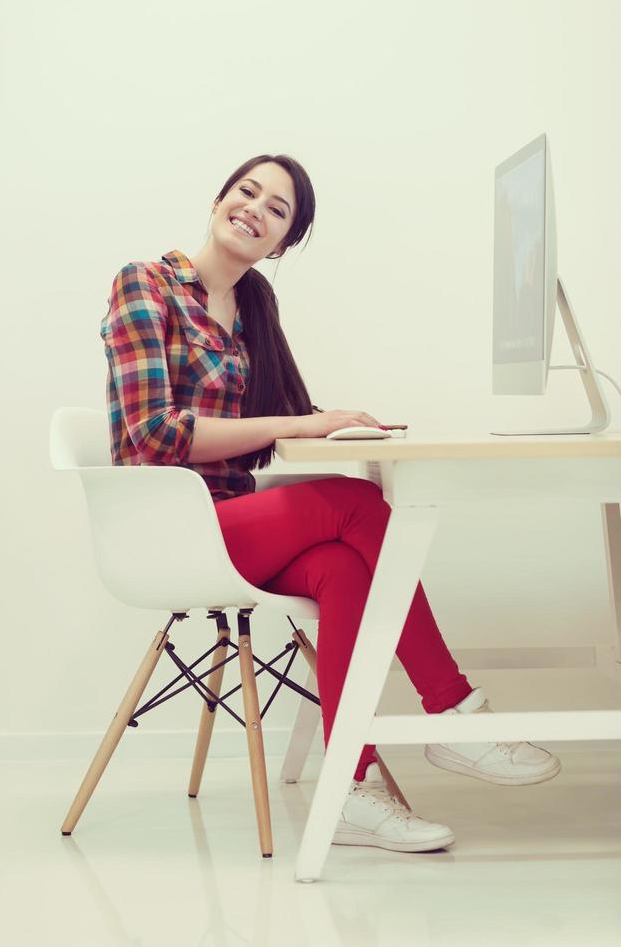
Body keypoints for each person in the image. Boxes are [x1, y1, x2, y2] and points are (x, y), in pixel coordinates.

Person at [100, 153, 561, 854]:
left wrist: (330, 419)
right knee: (359, 506)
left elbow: (277, 416)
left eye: (277, 210)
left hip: (228, 521)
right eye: (247, 192)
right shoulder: (146, 285)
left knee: (344, 567)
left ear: (283, 242)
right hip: (167, 529)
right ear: (220, 199)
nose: (255, 209)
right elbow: (157, 435)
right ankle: (453, 709)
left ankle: (352, 788)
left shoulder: (254, 306)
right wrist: (297, 426)